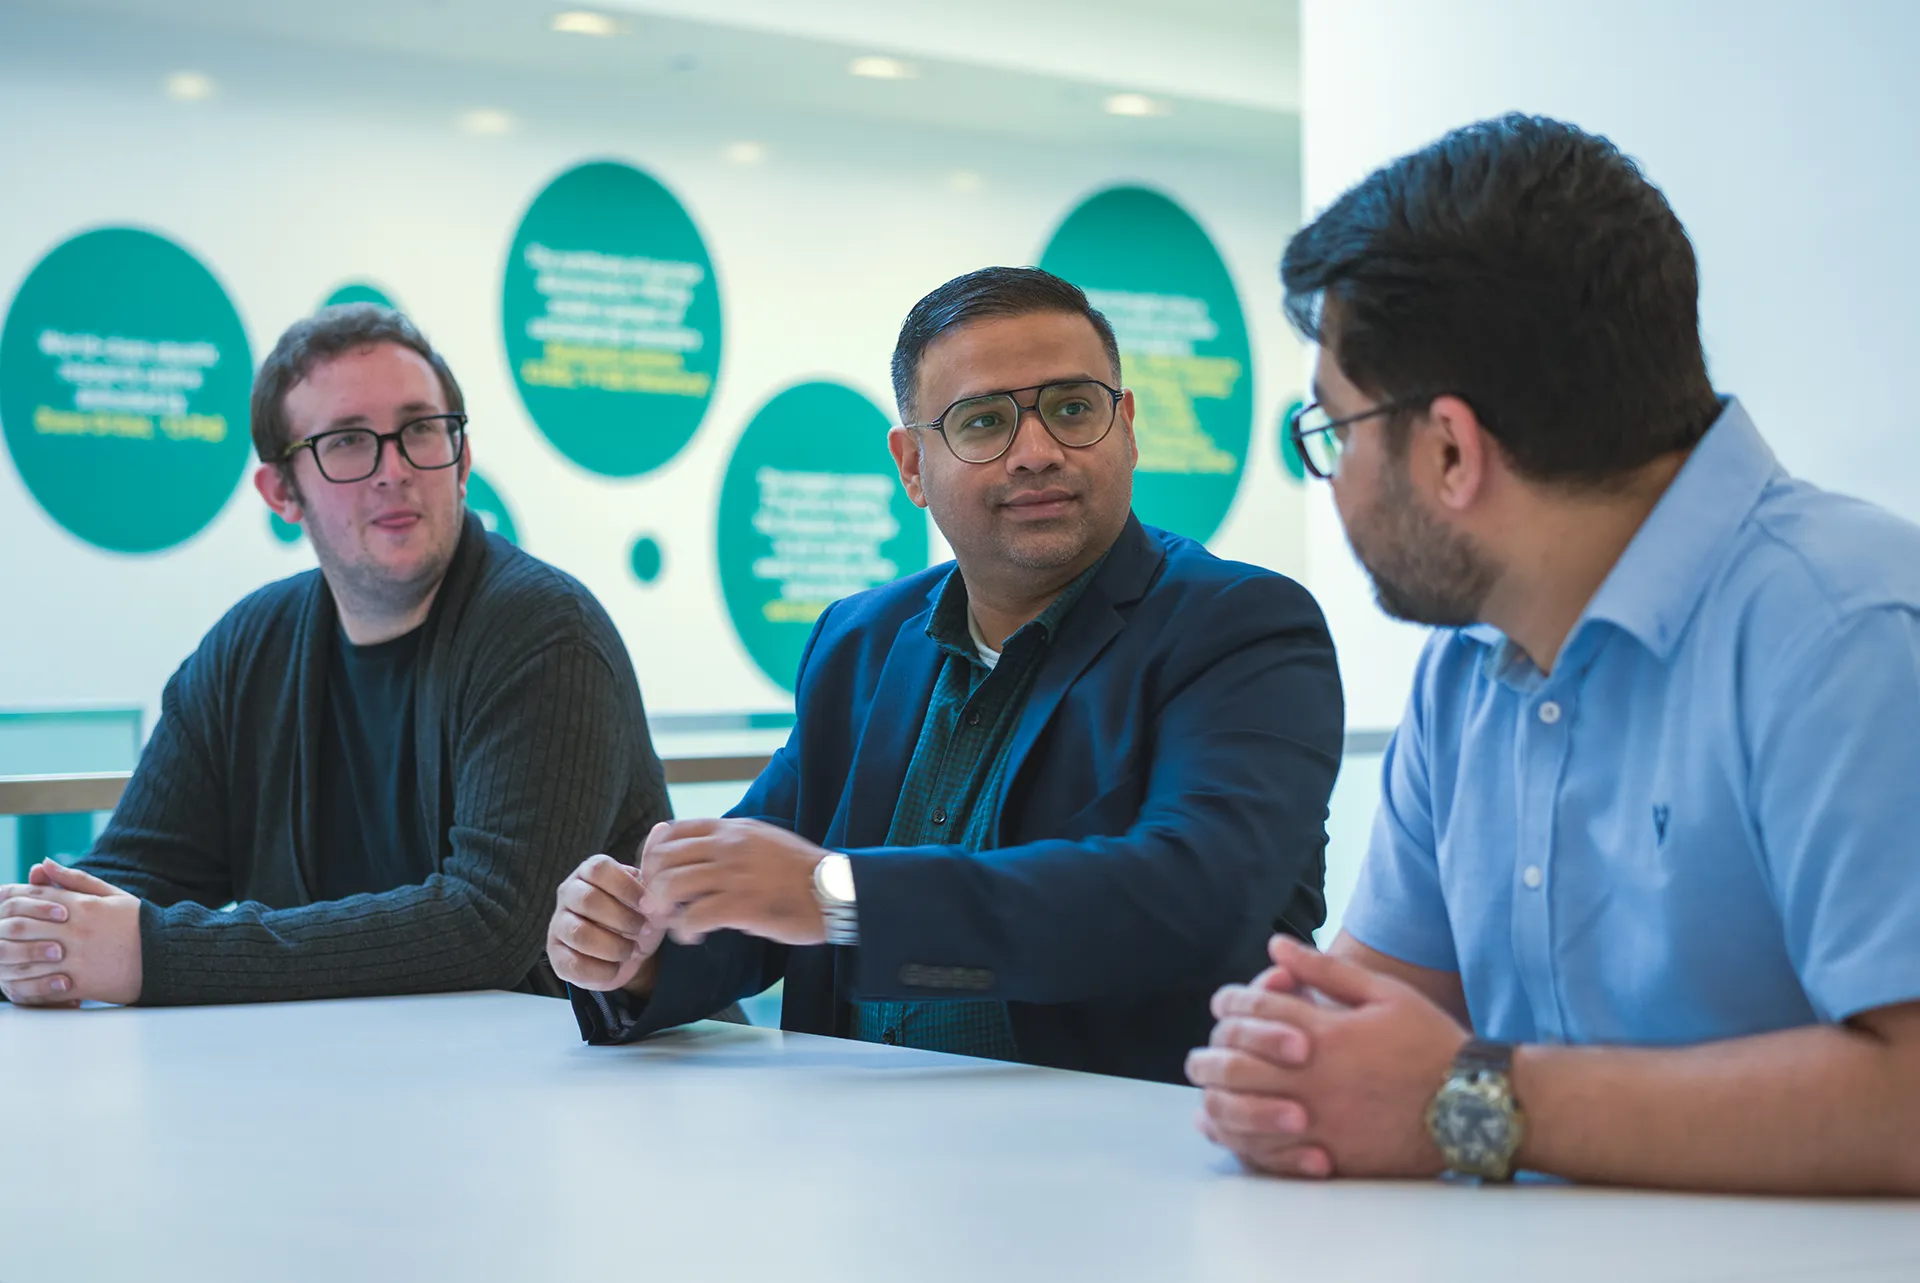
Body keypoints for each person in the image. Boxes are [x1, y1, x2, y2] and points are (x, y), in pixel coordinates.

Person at [1187, 115, 1920, 1194]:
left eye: (1333, 431)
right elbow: (1371, 1022)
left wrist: (1477, 1102)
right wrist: (1286, 1065)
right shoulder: (1468, 665)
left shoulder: (1846, 629)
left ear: (1449, 449)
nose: (1333, 477)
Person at [546, 267, 1343, 1083]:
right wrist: (635, 945)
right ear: (912, 466)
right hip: (861, 1160)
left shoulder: (1240, 625)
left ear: (1127, 427)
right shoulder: (859, 641)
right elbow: (761, 898)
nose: (1036, 453)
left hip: (1125, 1166)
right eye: (984, 422)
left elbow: (1189, 897)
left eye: (1073, 409)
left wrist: (835, 896)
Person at [0, 305, 670, 1008]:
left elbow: (492, 927)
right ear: (281, 491)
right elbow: (134, 872)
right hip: (351, 1083)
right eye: (348, 441)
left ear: (463, 458)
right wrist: (42, 937)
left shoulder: (543, 631)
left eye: (420, 429)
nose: (394, 468)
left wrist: (155, 955)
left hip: (598, 1094)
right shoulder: (247, 648)